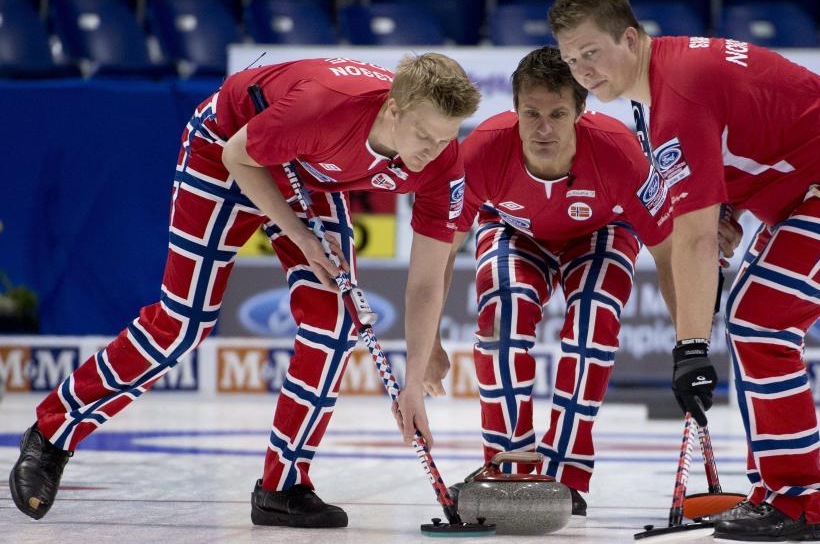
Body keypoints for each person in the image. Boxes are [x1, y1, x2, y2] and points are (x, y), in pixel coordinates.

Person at [9, 54, 481, 528]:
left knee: (337, 322)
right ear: (393, 111)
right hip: (227, 150)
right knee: (183, 323)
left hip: (309, 170)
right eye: (425, 136)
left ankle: (283, 486)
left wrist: (414, 379)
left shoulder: (443, 160)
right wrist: (301, 236)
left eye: (446, 137)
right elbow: (239, 154)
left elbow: (425, 279)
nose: (434, 150)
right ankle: (52, 433)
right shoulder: (325, 105)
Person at [549, 0, 820, 541]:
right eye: (571, 61)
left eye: (591, 53)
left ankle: (801, 502)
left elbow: (694, 240)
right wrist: (728, 210)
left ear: (629, 39)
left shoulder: (677, 94)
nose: (583, 72)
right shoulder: (659, 88)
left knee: (761, 321)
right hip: (808, 187)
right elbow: (750, 142)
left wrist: (691, 350)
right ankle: (775, 490)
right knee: (752, 321)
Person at [427, 45, 679, 516]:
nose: (543, 128)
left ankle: (566, 476)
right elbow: (441, 250)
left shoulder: (620, 153)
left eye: (558, 114)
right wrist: (428, 342)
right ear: (514, 110)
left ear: (581, 112)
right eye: (531, 113)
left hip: (602, 231)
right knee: (501, 325)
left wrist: (691, 347)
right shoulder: (481, 148)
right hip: (513, 230)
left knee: (592, 327)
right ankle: (508, 467)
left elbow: (670, 253)